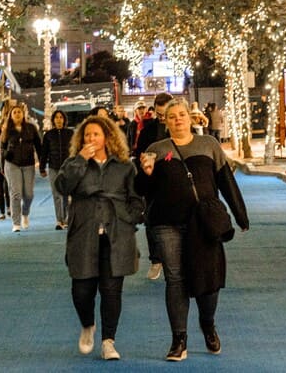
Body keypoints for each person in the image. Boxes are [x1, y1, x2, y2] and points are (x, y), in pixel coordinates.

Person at [138, 98, 249, 362]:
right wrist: (145, 173)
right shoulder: (156, 149)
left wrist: (240, 215)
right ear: (165, 121)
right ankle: (179, 339)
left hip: (204, 224)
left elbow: (226, 181)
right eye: (172, 116)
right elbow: (141, 190)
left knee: (208, 279)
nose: (177, 119)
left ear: (191, 118)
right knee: (175, 279)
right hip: (167, 224)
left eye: (182, 115)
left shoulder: (209, 145)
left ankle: (208, 324)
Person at [55, 115, 144, 361]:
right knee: (81, 291)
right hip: (84, 232)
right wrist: (80, 160)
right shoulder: (75, 162)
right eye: (87, 135)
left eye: (96, 134)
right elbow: (62, 187)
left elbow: (136, 198)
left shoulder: (125, 165)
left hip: (117, 233)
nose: (91, 138)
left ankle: (108, 342)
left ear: (107, 137)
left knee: (111, 291)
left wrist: (130, 218)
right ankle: (87, 324)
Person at [134, 91, 173, 280]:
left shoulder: (180, 127)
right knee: (151, 221)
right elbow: (138, 154)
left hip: (175, 182)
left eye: (166, 114)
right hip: (152, 181)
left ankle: (175, 260)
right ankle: (156, 260)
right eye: (159, 114)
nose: (163, 118)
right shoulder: (148, 130)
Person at [1, 104, 44, 233]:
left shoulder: (31, 128)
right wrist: (2, 164)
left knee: (28, 194)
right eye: (14, 112)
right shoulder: (6, 130)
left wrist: (42, 165)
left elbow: (39, 146)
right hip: (12, 164)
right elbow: (1, 148)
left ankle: (25, 213)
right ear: (11, 116)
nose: (17, 114)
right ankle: (16, 223)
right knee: (16, 194)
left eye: (19, 112)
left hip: (28, 164)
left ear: (23, 114)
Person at [41, 109, 74, 230]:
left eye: (61, 117)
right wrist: (42, 168)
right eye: (56, 117)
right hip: (53, 167)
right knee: (56, 194)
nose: (59, 120)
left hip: (67, 168)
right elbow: (44, 152)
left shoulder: (70, 133)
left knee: (66, 194)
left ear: (64, 120)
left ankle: (67, 219)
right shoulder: (48, 135)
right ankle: (59, 220)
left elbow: (74, 150)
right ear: (53, 120)